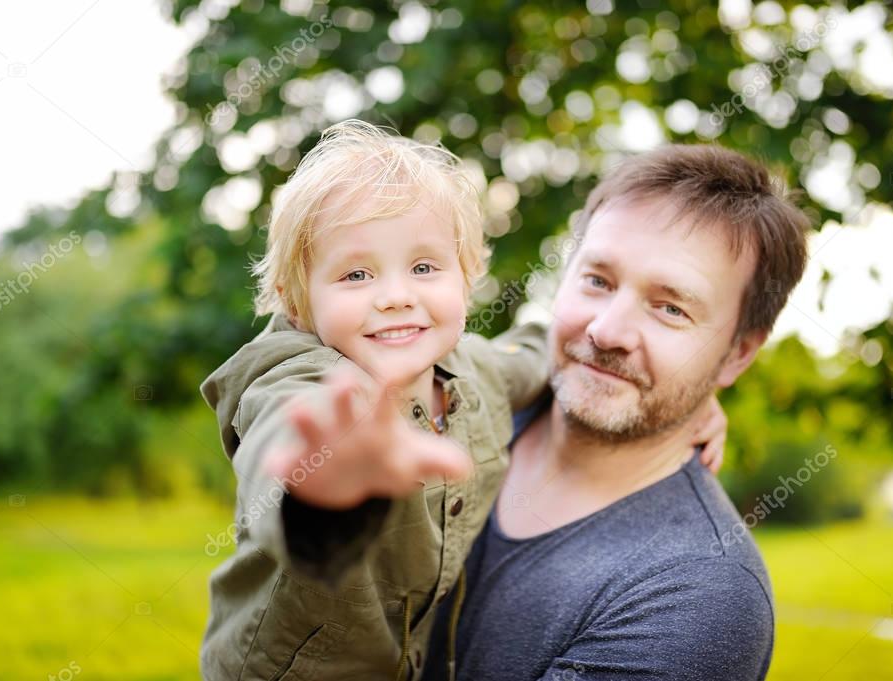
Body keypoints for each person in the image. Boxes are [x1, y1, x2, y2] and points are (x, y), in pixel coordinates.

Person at [198, 121, 727, 681]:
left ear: (468, 277)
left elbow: (543, 353)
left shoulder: (479, 371)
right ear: (297, 300)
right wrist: (319, 487)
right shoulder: (297, 376)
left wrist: (686, 397)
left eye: (424, 267)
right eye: (356, 274)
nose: (397, 296)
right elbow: (282, 438)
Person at [424, 144, 810, 681]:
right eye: (598, 281)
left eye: (670, 308)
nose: (606, 331)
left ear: (739, 352)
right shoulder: (461, 409)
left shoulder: (698, 596)